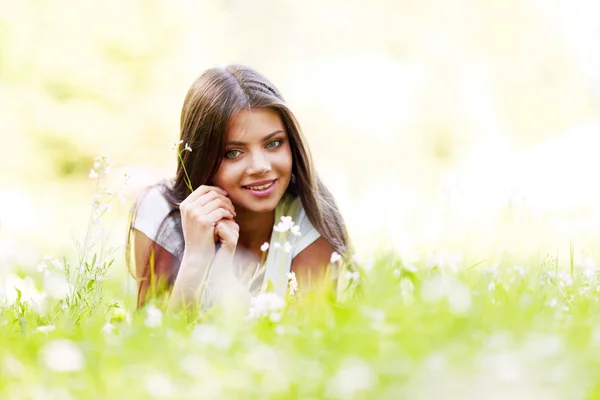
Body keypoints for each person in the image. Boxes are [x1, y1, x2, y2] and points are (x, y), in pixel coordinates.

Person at [126, 64, 350, 310]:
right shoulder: (160, 214)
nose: (260, 166)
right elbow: (151, 342)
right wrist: (195, 261)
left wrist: (224, 278)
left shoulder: (311, 222)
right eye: (233, 152)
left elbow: (302, 343)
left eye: (273, 143)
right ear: (202, 158)